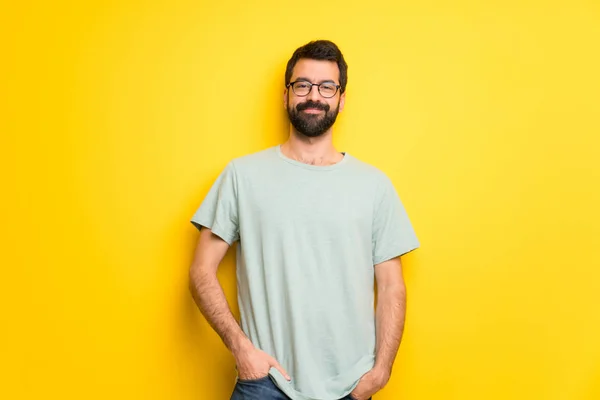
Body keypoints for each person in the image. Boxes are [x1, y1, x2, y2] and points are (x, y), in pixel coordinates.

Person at [188, 40, 419, 400]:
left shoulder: (374, 185)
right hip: (265, 383)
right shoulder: (242, 175)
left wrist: (380, 373)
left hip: (351, 387)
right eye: (303, 85)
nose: (314, 95)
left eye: (327, 87)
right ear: (286, 95)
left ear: (341, 99)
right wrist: (242, 350)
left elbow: (392, 286)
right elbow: (201, 271)